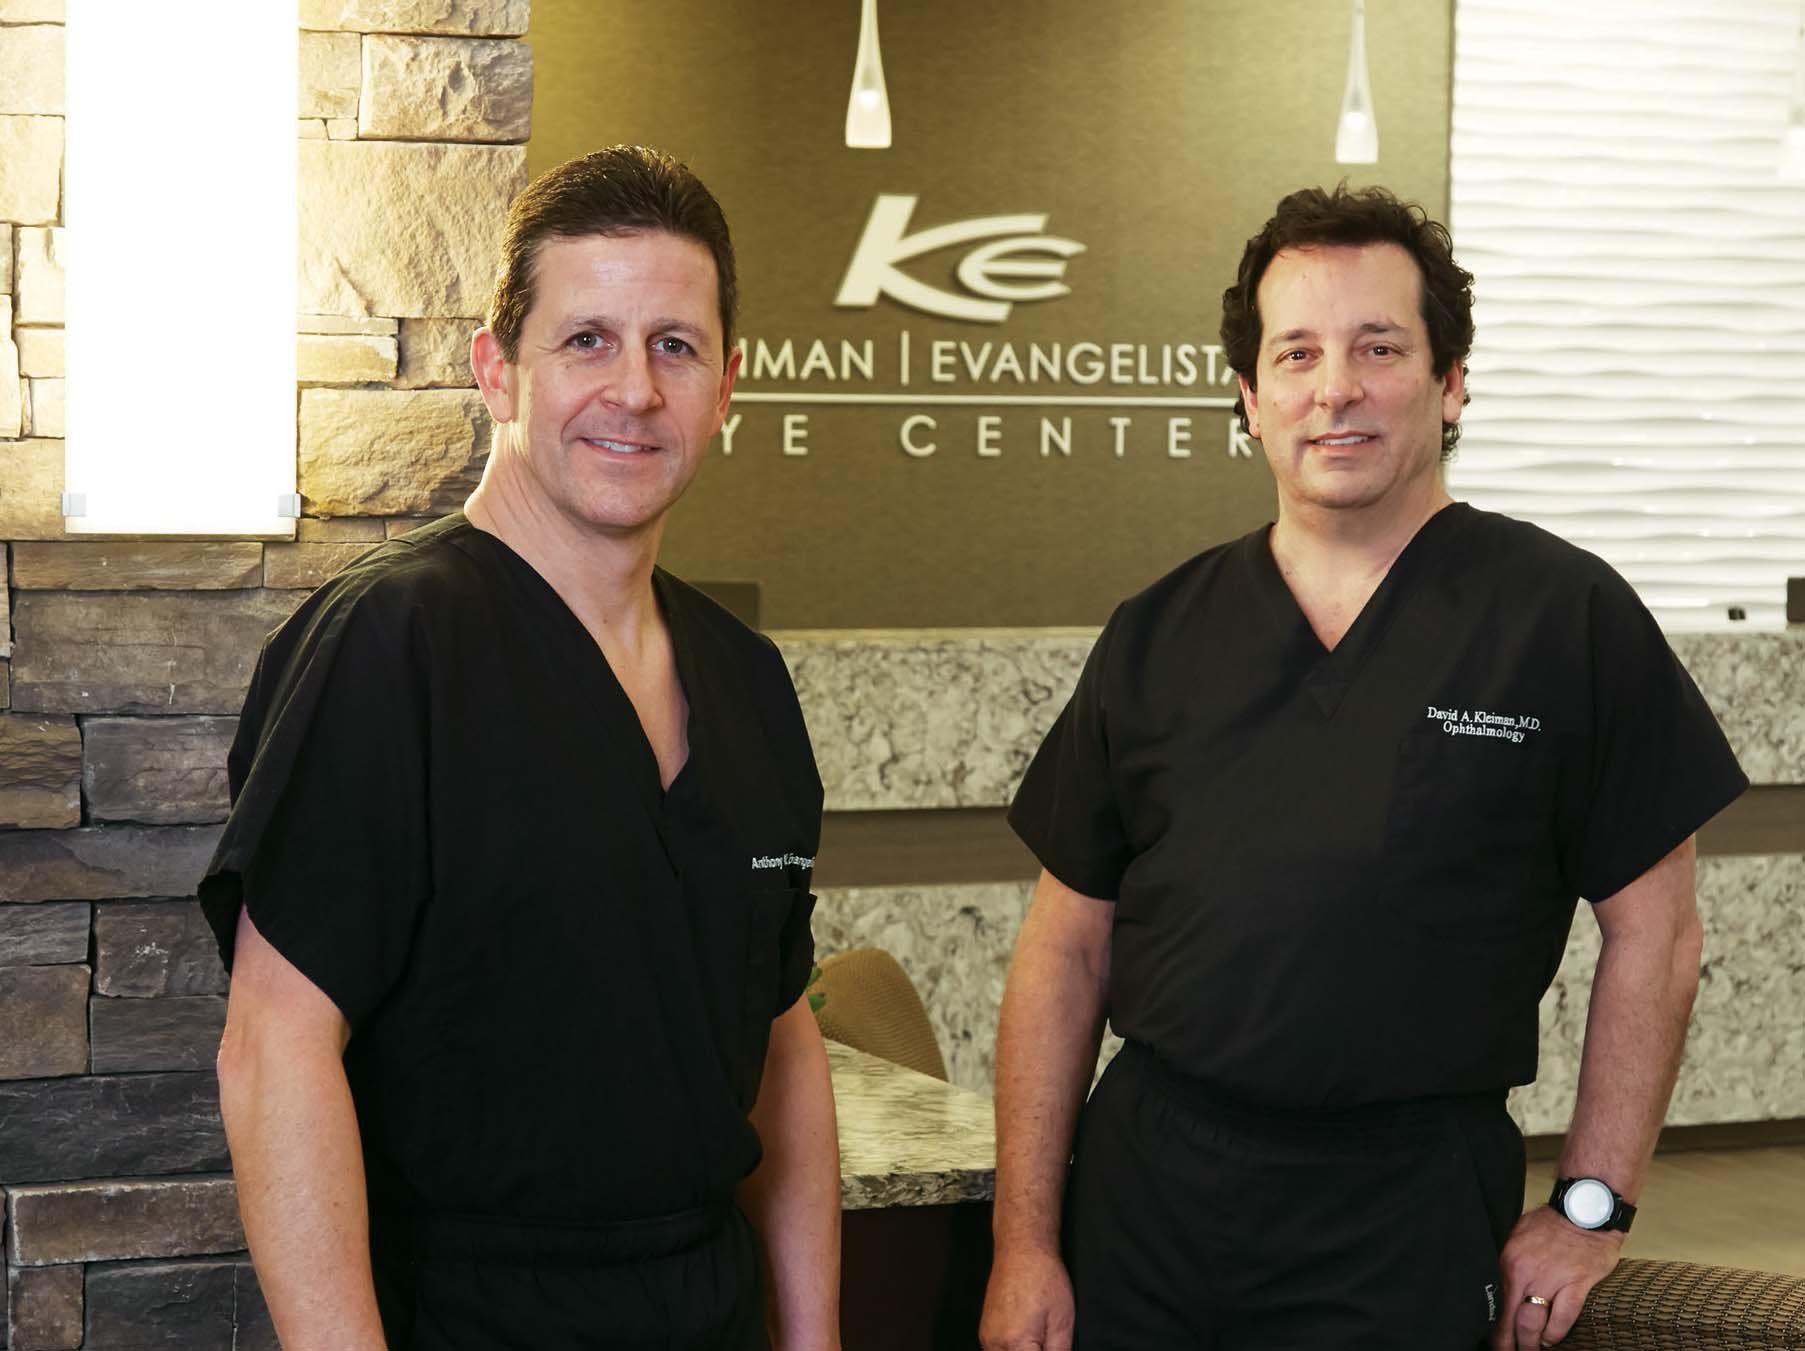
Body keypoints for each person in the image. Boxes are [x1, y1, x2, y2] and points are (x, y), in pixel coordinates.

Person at [979, 184, 1746, 1351]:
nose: (1333, 387)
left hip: (1406, 1211)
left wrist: (1589, 1207)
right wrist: (1024, 1240)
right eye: (1295, 353)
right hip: (1149, 1202)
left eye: (1377, 347)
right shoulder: (1157, 632)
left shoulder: (1560, 619)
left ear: (1449, 381)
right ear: (1249, 400)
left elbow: (1660, 934)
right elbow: (1063, 947)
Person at [202, 146, 840, 1351]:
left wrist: (812, 1339)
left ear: (725, 386)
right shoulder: (388, 647)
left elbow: (780, 1036)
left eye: (674, 346)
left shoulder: (747, 682)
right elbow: (273, 1050)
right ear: (496, 371)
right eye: (585, 340)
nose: (634, 390)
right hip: (463, 1311)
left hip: (704, 1303)